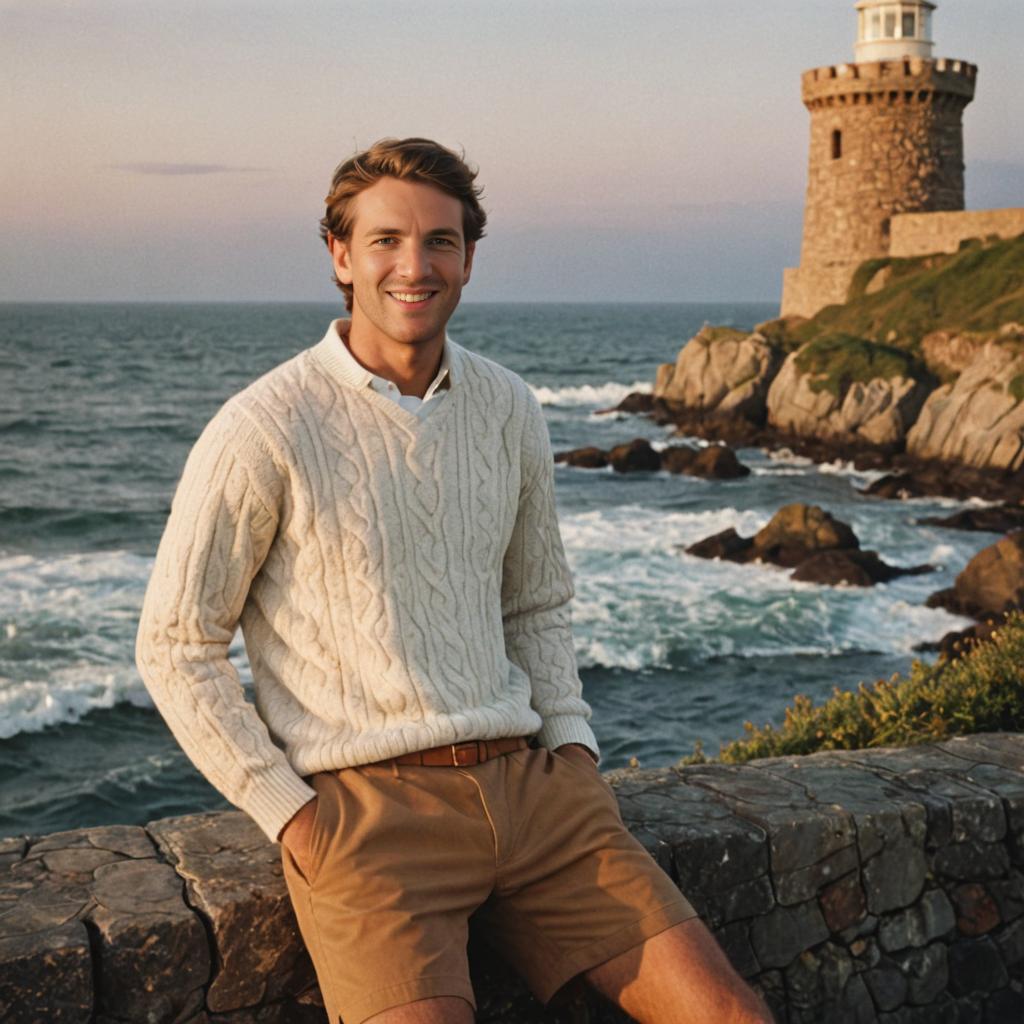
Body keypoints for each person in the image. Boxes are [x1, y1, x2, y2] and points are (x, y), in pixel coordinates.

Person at [136, 137, 771, 1024]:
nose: (414, 264)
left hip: (537, 796)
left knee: (733, 1016)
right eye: (386, 239)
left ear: (468, 257)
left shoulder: (508, 405)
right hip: (370, 823)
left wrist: (576, 750)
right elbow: (175, 643)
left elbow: (535, 600)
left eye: (440, 240)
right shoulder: (264, 427)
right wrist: (292, 814)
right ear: (341, 255)